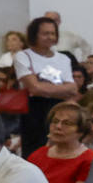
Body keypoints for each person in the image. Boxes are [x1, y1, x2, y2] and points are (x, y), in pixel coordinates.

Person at [14, 15, 79, 156]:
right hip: (34, 110)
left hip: (59, 107)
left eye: (52, 33)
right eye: (45, 33)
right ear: (34, 35)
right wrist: (60, 89)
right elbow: (33, 88)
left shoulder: (63, 58)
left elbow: (72, 88)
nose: (50, 37)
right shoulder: (23, 56)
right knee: (35, 151)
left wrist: (44, 87)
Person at [27, 101, 93, 183]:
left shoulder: (87, 159)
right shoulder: (38, 154)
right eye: (55, 121)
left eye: (67, 123)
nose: (58, 126)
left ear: (81, 131)